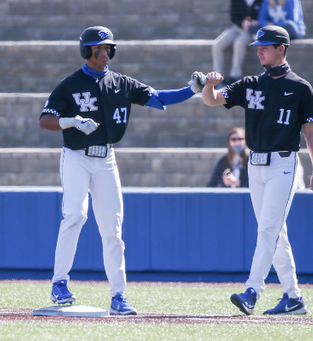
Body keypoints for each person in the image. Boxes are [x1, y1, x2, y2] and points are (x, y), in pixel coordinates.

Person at [39, 26, 206, 315]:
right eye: (98, 48)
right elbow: (46, 120)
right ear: (85, 51)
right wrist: (72, 122)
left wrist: (191, 90)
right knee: (76, 215)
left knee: (113, 230)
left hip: (106, 158)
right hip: (76, 156)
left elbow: (159, 97)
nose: (104, 52)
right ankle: (59, 282)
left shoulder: (122, 83)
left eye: (108, 48)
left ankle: (118, 295)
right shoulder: (70, 84)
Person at [202, 25, 313, 315]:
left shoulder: (300, 87)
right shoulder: (251, 83)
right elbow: (213, 99)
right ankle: (293, 298)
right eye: (258, 45)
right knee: (273, 232)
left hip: (284, 164)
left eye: (265, 46)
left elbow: (310, 132)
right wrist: (209, 85)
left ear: (282, 48)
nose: (259, 50)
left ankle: (252, 290)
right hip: (255, 166)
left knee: (267, 229)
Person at [212, 0, 263, 88]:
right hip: (238, 28)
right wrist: (242, 22)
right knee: (217, 45)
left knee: (239, 42)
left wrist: (256, 22)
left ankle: (235, 75)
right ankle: (218, 78)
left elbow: (264, 15)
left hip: (252, 31)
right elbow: (233, 16)